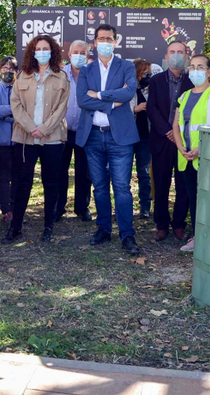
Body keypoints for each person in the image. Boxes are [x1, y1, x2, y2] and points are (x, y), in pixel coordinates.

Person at [76, 24, 141, 256]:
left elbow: (129, 92)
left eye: (109, 38)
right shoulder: (86, 70)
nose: (104, 42)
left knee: (122, 188)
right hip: (93, 135)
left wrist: (101, 94)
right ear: (94, 42)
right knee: (100, 187)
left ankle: (127, 234)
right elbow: (82, 100)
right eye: (100, 38)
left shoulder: (126, 66)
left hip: (120, 137)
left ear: (115, 42)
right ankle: (103, 228)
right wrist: (112, 101)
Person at [1, 36, 69, 244]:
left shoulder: (61, 77)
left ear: (52, 52)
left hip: (52, 138)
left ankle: (48, 227)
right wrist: (32, 128)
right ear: (32, 52)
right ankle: (16, 227)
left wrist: (45, 129)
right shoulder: (22, 76)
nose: (42, 52)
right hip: (25, 138)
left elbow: (61, 108)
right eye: (38, 48)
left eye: (46, 48)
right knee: (22, 183)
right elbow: (16, 105)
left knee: (51, 183)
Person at [173, 54, 210, 252]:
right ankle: (198, 237)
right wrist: (181, 147)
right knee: (194, 198)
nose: (195, 71)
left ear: (208, 72)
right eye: (192, 67)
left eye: (200, 67)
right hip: (187, 158)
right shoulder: (184, 96)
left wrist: (200, 149)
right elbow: (176, 125)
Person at [146, 40, 192, 241]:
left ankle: (179, 224)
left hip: (185, 142)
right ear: (166, 57)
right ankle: (162, 224)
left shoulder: (193, 81)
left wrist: (179, 133)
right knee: (162, 184)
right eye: (172, 52)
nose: (176, 55)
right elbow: (151, 108)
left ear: (186, 56)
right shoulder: (156, 81)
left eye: (180, 52)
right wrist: (168, 131)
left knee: (183, 184)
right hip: (162, 140)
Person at [55, 40, 93, 223]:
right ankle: (58, 207)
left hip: (85, 130)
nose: (79, 55)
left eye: (83, 52)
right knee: (60, 170)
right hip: (62, 130)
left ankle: (82, 207)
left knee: (84, 171)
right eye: (75, 52)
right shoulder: (60, 74)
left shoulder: (93, 75)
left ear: (87, 55)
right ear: (69, 55)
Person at [0, 56, 18, 223]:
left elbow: (24, 111)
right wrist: (12, 112)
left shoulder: (21, 89)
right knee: (2, 177)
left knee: (17, 177)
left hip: (18, 141)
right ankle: (5, 210)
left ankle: (15, 208)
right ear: (0, 70)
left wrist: (4, 113)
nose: (8, 72)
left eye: (11, 69)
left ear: (16, 71)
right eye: (5, 68)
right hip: (0, 142)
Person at [131, 59, 152, 219]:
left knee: (144, 173)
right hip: (128, 138)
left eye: (149, 73)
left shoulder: (151, 91)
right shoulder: (127, 89)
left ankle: (145, 206)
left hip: (145, 138)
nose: (148, 76)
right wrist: (135, 109)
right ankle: (122, 206)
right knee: (122, 175)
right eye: (145, 73)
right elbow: (117, 109)